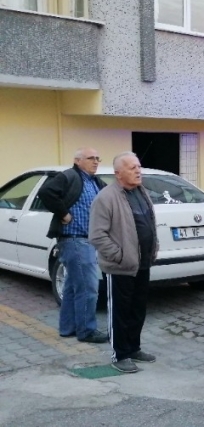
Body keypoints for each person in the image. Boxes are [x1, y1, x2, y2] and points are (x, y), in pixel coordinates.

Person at [89, 152, 158, 373]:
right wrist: (119, 255)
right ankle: (119, 355)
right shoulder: (106, 197)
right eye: (132, 168)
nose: (138, 171)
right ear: (118, 174)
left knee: (138, 309)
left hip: (142, 263)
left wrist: (153, 248)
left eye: (138, 166)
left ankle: (133, 347)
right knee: (120, 311)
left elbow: (149, 223)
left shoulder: (141, 191)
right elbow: (97, 235)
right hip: (120, 266)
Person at [37, 147, 108, 343]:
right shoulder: (69, 176)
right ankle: (86, 331)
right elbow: (46, 191)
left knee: (71, 287)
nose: (95, 161)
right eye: (90, 158)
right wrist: (64, 213)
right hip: (75, 239)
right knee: (88, 287)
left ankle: (68, 328)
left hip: (86, 240)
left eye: (97, 158)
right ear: (78, 161)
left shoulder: (95, 181)